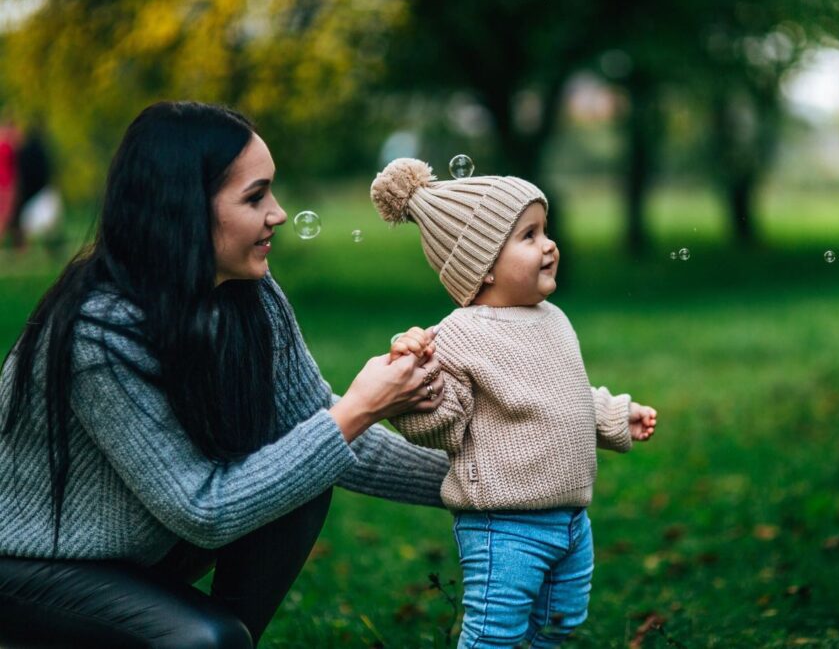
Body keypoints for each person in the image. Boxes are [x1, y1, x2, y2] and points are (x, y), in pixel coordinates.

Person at [0, 101, 451, 648]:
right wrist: (358, 408)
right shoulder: (99, 333)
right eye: (255, 196)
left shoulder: (249, 294)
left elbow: (327, 435)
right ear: (185, 209)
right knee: (206, 641)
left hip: (142, 547)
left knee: (304, 466)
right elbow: (203, 511)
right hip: (32, 564)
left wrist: (493, 485)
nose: (279, 213)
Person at [370, 158, 658, 647]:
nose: (549, 245)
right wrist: (416, 382)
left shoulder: (552, 318)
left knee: (559, 620)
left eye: (546, 230)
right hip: (504, 527)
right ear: (479, 267)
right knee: (493, 634)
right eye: (529, 236)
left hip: (570, 519)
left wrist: (613, 414)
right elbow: (440, 424)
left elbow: (564, 394)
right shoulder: (460, 335)